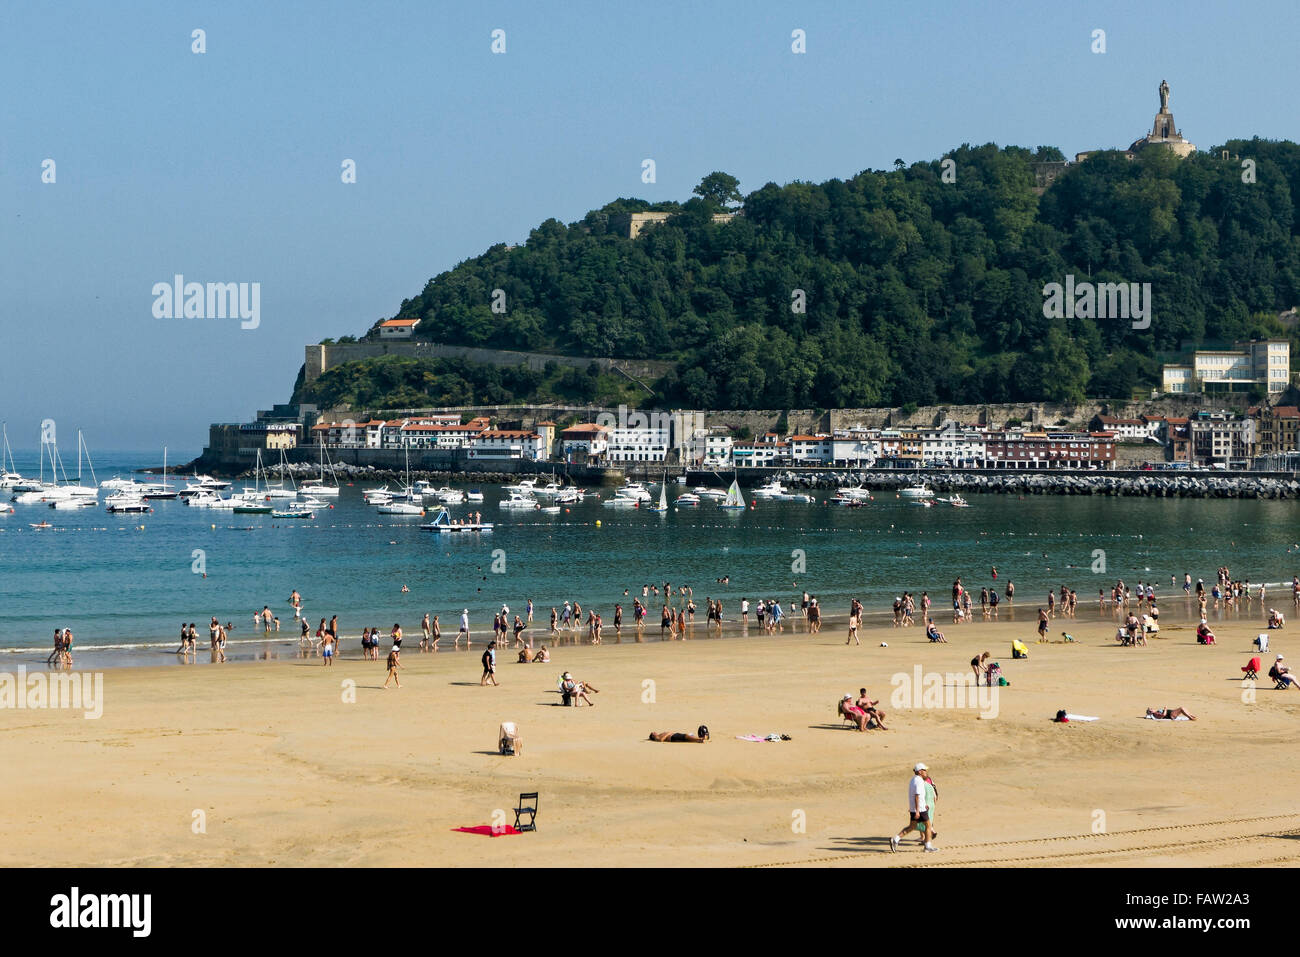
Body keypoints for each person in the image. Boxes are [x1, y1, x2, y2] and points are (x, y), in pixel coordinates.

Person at [891, 763, 937, 852]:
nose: (926, 772)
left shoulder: (913, 780)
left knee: (911, 827)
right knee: (928, 826)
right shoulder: (919, 781)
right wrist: (918, 811)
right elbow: (917, 795)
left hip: (916, 808)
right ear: (920, 771)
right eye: (924, 770)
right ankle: (928, 846)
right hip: (920, 809)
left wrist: (915, 808)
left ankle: (895, 839)